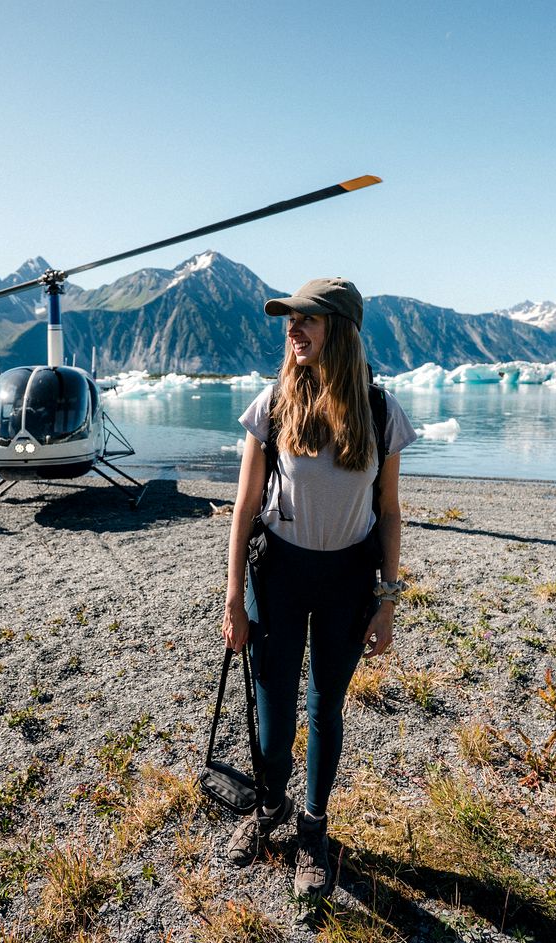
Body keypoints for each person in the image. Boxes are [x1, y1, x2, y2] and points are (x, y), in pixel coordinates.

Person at [221, 277, 416, 899]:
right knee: (274, 707)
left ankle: (313, 828)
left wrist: (387, 601)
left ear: (343, 330)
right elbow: (244, 506)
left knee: (325, 706)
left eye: (307, 318)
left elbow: (389, 511)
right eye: (290, 320)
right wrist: (233, 595)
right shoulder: (273, 404)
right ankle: (270, 804)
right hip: (277, 574)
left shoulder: (380, 412)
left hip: (347, 580)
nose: (293, 328)